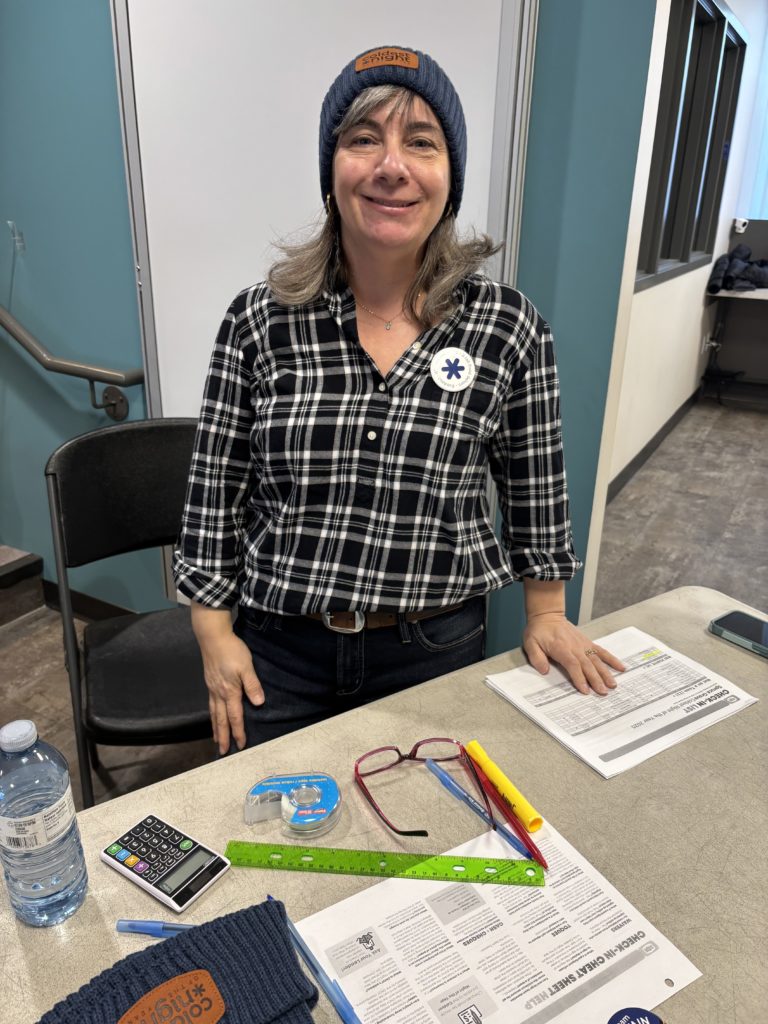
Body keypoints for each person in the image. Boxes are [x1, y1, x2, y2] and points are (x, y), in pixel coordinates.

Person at [173, 44, 624, 756]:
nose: (392, 166)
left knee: (427, 822)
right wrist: (211, 631)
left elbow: (535, 485)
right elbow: (214, 489)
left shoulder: (508, 327)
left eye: (421, 142)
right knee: (281, 825)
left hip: (435, 648)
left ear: (451, 177)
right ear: (332, 171)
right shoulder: (260, 319)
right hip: (277, 655)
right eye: (363, 139)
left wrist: (546, 613)